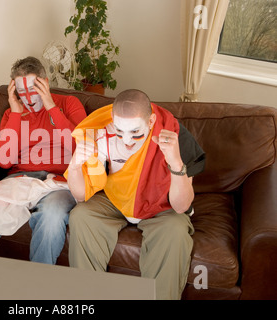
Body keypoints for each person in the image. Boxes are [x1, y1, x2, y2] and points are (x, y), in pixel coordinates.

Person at [65, 89, 205, 299]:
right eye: (120, 132)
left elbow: (182, 206)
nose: (128, 140)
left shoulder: (175, 135)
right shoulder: (100, 132)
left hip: (161, 205)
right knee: (81, 215)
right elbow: (82, 195)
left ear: (151, 122)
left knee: (174, 231)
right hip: (115, 198)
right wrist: (75, 166)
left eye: (136, 133)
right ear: (112, 120)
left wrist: (175, 162)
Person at [0, 56, 87, 265]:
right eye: (21, 91)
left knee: (52, 215)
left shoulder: (69, 104)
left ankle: (36, 287)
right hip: (20, 180)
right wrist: (15, 113)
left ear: (45, 83)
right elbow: (4, 161)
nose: (28, 98)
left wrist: (51, 107)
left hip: (60, 182)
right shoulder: (11, 113)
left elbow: (80, 148)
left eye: (33, 89)